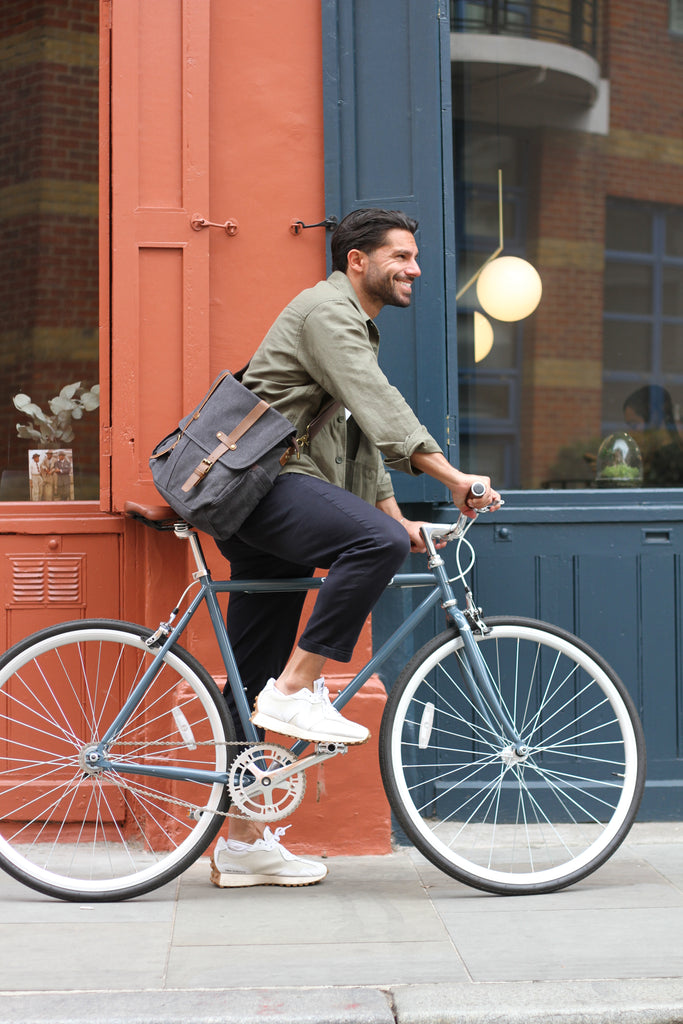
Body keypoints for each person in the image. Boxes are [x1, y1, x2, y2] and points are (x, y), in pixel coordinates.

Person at [209, 208, 501, 889]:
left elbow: (360, 443)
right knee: (364, 546)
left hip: (264, 495)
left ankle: (242, 842)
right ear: (357, 262)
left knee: (250, 673)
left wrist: (397, 517)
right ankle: (299, 685)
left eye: (414, 256)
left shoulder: (347, 322)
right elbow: (377, 402)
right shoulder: (325, 313)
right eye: (400, 255)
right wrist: (453, 478)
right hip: (265, 485)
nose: (415, 269)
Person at [623, 385, 683, 487]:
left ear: (653, 421)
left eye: (634, 425)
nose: (630, 433)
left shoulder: (668, 460)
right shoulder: (654, 456)